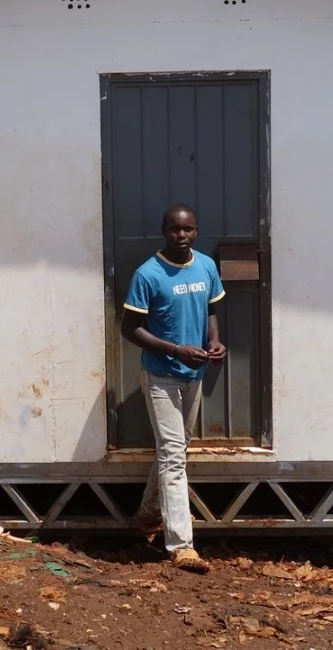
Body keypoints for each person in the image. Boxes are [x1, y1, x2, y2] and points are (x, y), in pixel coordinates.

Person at [119, 202, 226, 573]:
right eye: (174, 230)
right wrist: (176, 349)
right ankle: (182, 545)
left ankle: (148, 515)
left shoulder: (206, 267)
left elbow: (211, 310)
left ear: (197, 231)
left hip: (195, 375)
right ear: (163, 230)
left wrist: (215, 341)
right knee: (173, 456)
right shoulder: (147, 275)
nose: (181, 236)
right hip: (162, 376)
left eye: (189, 230)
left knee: (175, 448)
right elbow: (130, 329)